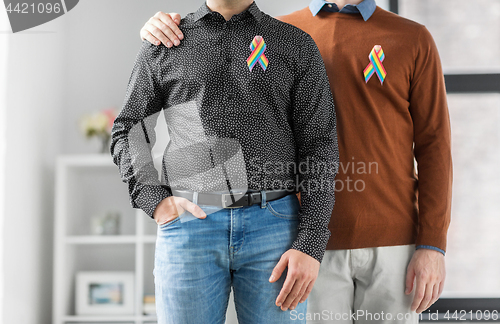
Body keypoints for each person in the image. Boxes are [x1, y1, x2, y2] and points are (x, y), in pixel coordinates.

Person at [138, 0, 453, 322]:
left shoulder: (412, 38)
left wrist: (433, 244)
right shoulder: (281, 32)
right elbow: (138, 123)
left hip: (388, 241)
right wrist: (160, 29)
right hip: (303, 241)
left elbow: (434, 146)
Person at [110, 0, 339, 323]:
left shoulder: (294, 44)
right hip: (189, 227)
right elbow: (127, 128)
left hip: (276, 229)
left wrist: (311, 243)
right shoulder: (166, 42)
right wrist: (155, 201)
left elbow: (319, 145)